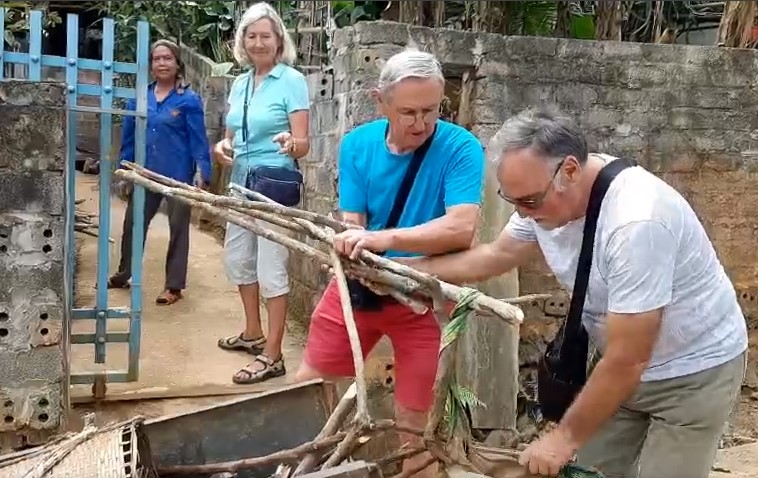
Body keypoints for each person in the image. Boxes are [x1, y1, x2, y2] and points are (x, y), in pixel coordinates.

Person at [400, 108, 748, 478]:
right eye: (512, 201)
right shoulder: (544, 197)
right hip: (619, 370)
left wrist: (562, 438)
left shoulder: (636, 222)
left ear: (569, 170)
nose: (522, 213)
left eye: (529, 202)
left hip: (693, 372)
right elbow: (497, 255)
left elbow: (629, 358)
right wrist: (412, 273)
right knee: (588, 471)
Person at [294, 49, 486, 477]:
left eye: (431, 110)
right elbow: (353, 222)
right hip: (359, 291)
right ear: (379, 100)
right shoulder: (358, 145)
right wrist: (350, 247)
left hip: (424, 298)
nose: (420, 124)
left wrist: (382, 240)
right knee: (307, 389)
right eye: (408, 112)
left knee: (416, 426)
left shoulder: (460, 148)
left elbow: (461, 228)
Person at [213, 2, 310, 385]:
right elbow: (230, 135)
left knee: (271, 268)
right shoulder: (239, 84)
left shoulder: (292, 80)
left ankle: (273, 354)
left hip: (274, 184)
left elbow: (304, 143)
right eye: (251, 36)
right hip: (240, 182)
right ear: (242, 42)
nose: (258, 43)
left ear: (278, 40)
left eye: (265, 36)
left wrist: (291, 143)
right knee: (238, 259)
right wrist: (223, 147)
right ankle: (252, 332)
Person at [109, 39, 211, 306]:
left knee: (178, 228)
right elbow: (129, 138)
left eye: (167, 58)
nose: (162, 63)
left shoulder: (188, 99)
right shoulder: (140, 98)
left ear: (177, 63)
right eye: (157, 59)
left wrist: (203, 173)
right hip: (144, 173)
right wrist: (123, 168)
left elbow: (198, 139)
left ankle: (173, 286)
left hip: (178, 176)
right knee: (133, 223)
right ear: (151, 65)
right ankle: (124, 273)